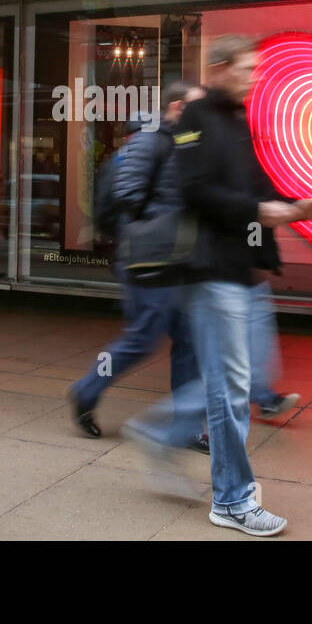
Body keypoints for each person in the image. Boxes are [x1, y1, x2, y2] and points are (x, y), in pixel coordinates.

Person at [125, 36, 312, 537]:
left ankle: (167, 439)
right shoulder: (196, 118)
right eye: (247, 68)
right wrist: (259, 211)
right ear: (220, 67)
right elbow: (196, 190)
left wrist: (293, 206)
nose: (255, 76)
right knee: (230, 388)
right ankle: (232, 500)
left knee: (231, 383)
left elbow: (254, 186)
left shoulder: (237, 119)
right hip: (212, 272)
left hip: (242, 271)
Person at [67, 81, 205, 450]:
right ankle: (85, 390)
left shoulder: (180, 141)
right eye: (196, 105)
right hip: (148, 259)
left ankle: (187, 426)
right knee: (142, 339)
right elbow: (129, 193)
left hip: (174, 260)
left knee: (188, 340)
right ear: (177, 106)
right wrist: (169, 221)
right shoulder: (151, 138)